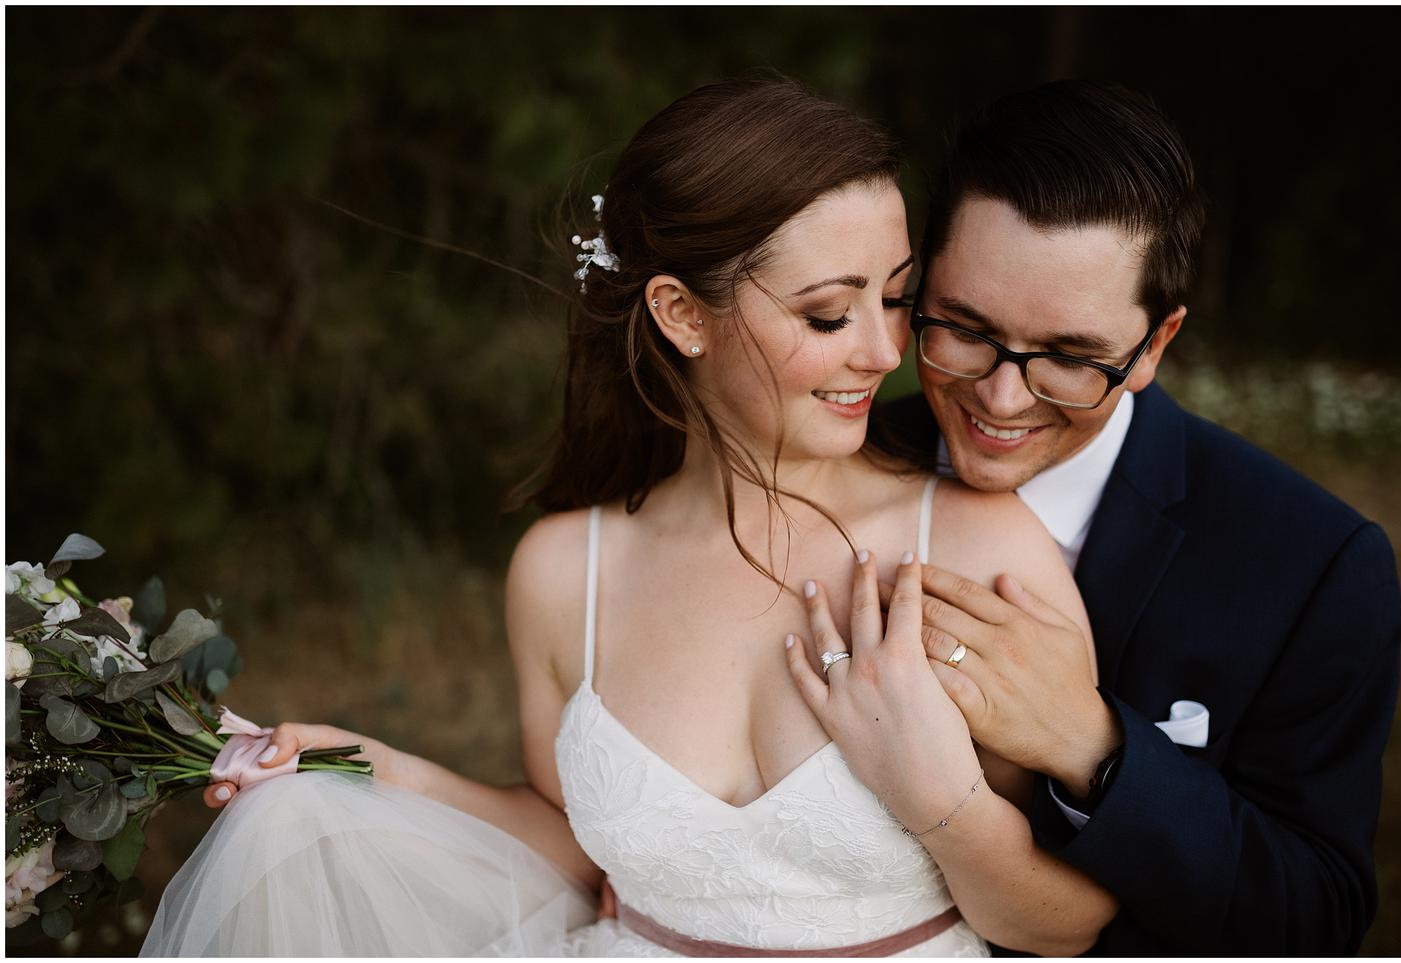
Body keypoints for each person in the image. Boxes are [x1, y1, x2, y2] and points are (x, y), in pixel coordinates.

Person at [142, 77, 1121, 957]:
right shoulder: (566, 569)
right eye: (830, 314)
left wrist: (942, 805)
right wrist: (380, 771)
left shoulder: (973, 546)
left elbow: (1069, 924)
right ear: (681, 314)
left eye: (898, 300)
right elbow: (571, 851)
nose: (882, 350)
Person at [861, 80, 1401, 956]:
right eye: (962, 328)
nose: (1000, 399)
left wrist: (1095, 744)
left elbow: (1314, 914)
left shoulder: (1316, 564)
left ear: (1154, 345)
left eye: (1071, 358)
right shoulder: (823, 467)